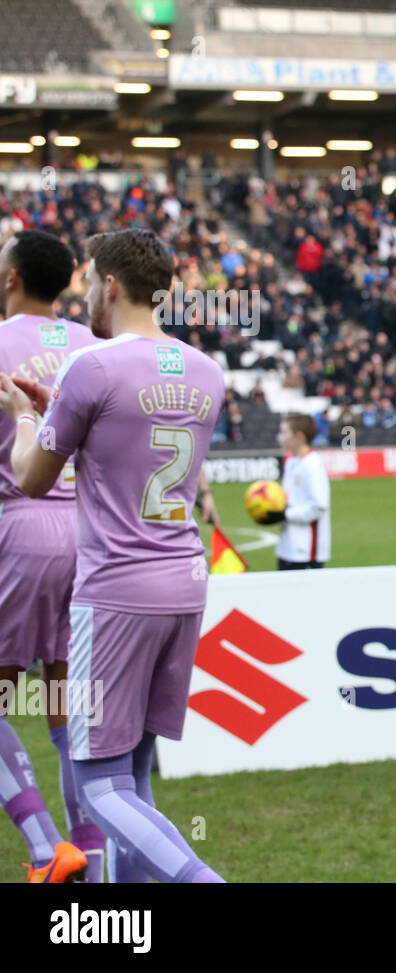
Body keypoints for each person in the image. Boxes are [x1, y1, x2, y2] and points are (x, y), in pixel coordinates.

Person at [0, 227, 225, 882]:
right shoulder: (208, 371)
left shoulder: (92, 366)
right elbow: (128, 438)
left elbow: (35, 474)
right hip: (183, 579)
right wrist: (57, 413)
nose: (86, 294)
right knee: (132, 776)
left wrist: (22, 417)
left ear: (112, 283)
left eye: (92, 281)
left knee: (101, 785)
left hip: (116, 587)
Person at [0, 230, 103, 882]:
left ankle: (46, 847)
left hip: (20, 530)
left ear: (11, 278)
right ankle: (92, 870)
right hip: (88, 536)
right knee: (70, 713)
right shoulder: (93, 346)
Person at [268, 413, 331, 570]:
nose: (279, 437)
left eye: (284, 432)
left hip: (306, 551)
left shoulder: (312, 464)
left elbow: (319, 506)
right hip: (287, 547)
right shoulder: (291, 461)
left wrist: (285, 515)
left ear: (299, 437)